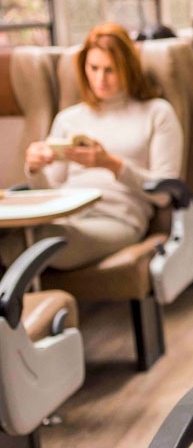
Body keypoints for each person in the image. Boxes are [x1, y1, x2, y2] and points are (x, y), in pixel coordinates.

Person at [0, 22, 183, 270]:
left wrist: (109, 163)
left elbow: (164, 195)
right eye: (93, 68)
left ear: (128, 69)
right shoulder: (68, 118)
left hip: (117, 221)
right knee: (27, 236)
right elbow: (51, 190)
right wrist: (35, 169)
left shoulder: (157, 113)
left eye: (110, 70)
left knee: (41, 240)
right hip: (67, 217)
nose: (100, 79)